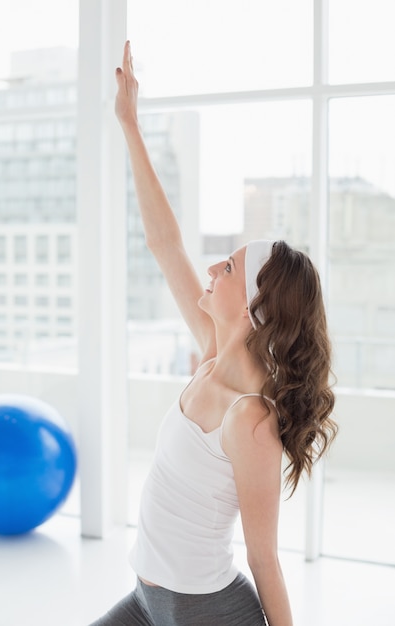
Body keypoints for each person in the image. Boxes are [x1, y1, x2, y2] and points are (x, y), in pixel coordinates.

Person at [90, 41, 337, 626]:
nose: (211, 269)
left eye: (227, 268)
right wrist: (130, 126)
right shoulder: (208, 354)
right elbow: (164, 242)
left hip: (205, 613)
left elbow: (264, 559)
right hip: (146, 600)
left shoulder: (250, 419)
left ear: (254, 310)